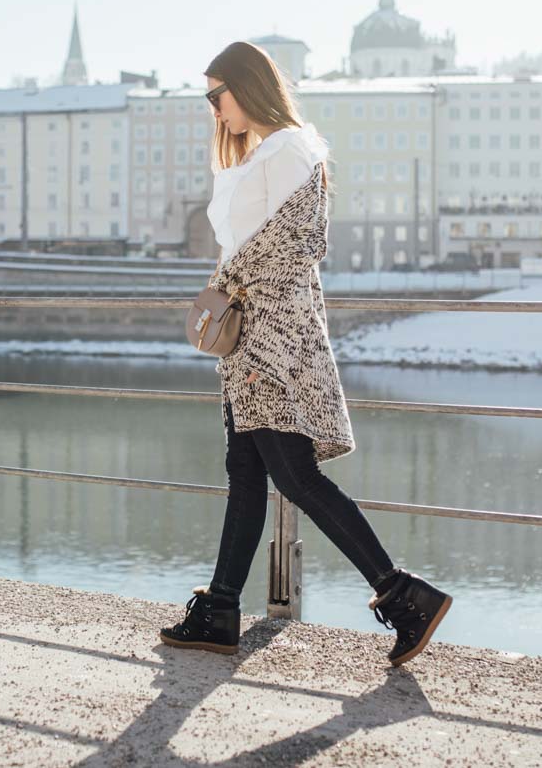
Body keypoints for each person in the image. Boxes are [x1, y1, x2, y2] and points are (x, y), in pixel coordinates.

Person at [159, 41, 452, 668]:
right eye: (206, 99)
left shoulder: (291, 148)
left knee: (294, 475)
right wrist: (226, 289)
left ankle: (404, 597)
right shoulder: (260, 154)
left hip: (274, 337)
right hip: (251, 336)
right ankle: (220, 609)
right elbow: (253, 242)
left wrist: (229, 280)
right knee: (246, 470)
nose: (213, 110)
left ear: (248, 85)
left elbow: (299, 239)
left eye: (218, 95)